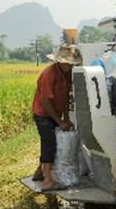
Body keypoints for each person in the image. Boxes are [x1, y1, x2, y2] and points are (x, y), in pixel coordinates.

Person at [31, 45, 82, 191]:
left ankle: (39, 172)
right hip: (43, 114)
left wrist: (66, 118)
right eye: (70, 63)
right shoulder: (49, 75)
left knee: (55, 144)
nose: (72, 66)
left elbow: (66, 96)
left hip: (55, 113)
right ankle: (47, 181)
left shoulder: (66, 74)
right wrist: (59, 121)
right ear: (61, 62)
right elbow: (46, 102)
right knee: (49, 143)